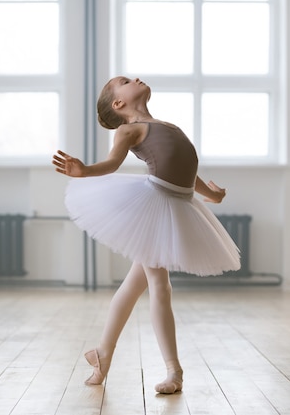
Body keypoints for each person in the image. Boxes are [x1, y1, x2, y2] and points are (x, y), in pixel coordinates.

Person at [51, 76, 240, 394]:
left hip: (177, 205)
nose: (135, 78)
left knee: (133, 285)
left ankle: (102, 354)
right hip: (155, 206)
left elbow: (186, 168)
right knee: (159, 285)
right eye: (124, 81)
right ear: (118, 104)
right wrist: (84, 171)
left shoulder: (169, 126)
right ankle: (173, 371)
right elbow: (112, 163)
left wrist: (211, 194)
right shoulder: (129, 130)